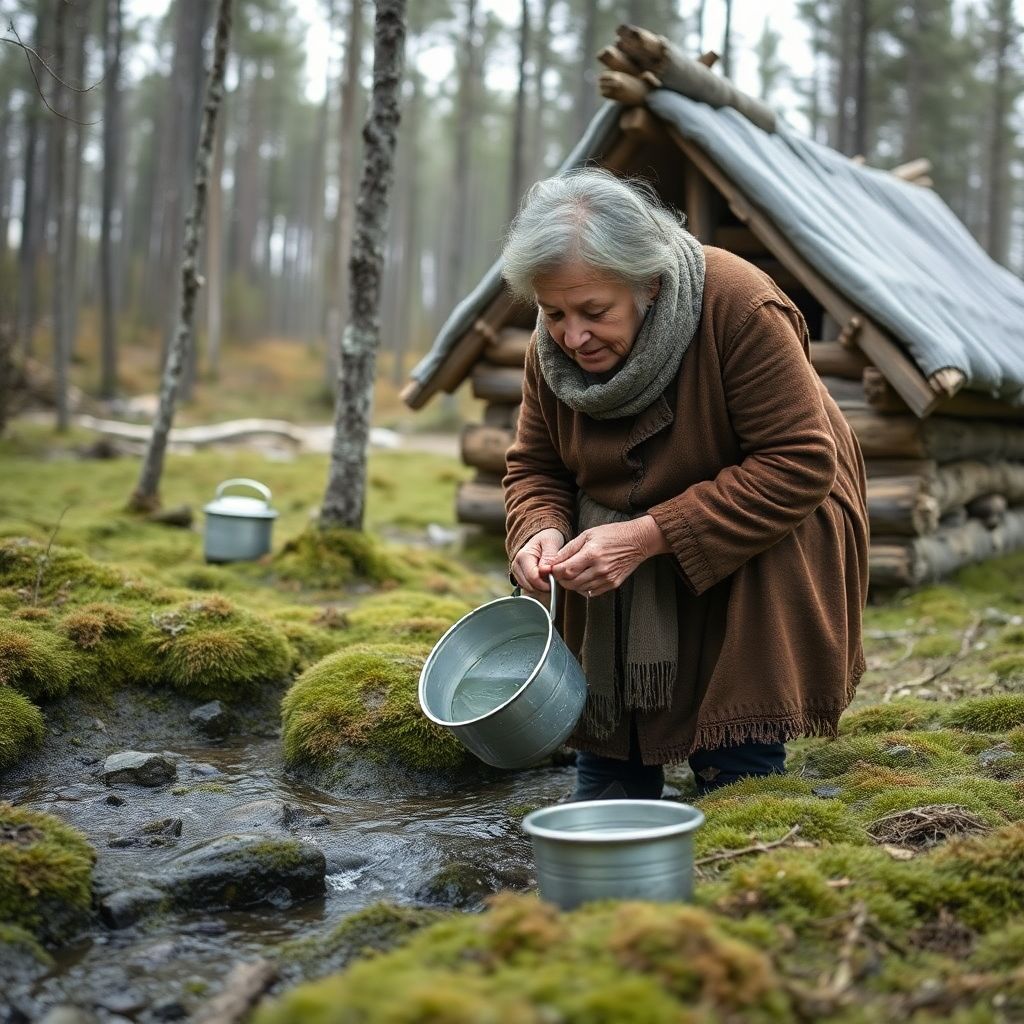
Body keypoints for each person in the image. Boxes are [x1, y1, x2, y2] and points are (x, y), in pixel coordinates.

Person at [501, 168, 869, 799]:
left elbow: (799, 461)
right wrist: (541, 529)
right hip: (621, 534)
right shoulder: (552, 347)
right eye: (554, 312)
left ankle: (740, 777)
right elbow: (535, 466)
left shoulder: (739, 306)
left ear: (648, 282)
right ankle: (614, 779)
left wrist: (649, 535)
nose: (573, 336)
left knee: (733, 761)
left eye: (595, 312)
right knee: (608, 786)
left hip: (769, 521)